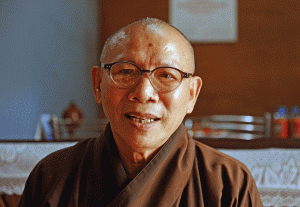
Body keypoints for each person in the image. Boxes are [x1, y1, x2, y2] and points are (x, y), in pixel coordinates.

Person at [19, 18, 263, 206]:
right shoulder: (52, 176)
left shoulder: (228, 184)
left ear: (191, 94)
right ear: (97, 85)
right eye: (126, 71)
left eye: (166, 75)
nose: (144, 92)